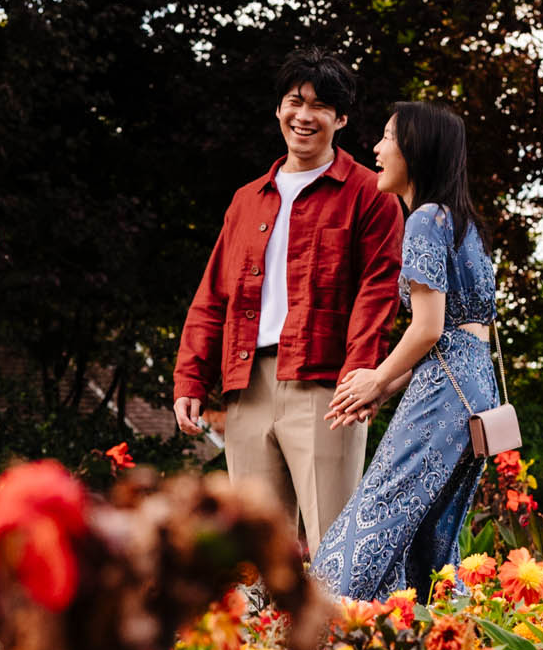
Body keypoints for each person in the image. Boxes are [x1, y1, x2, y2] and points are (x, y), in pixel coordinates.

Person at [173, 52, 406, 549]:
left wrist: (360, 377)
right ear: (279, 108)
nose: (304, 115)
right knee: (257, 551)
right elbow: (213, 294)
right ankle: (263, 632)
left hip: (326, 388)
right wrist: (190, 376)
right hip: (246, 386)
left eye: (320, 106)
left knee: (334, 544)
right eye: (294, 102)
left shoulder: (371, 193)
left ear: (340, 119)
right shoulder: (246, 199)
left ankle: (342, 631)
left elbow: (378, 291)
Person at [311, 102, 501, 599]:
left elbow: (430, 328)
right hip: (476, 388)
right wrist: (387, 387)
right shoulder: (465, 224)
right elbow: (457, 333)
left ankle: (315, 626)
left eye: (388, 137)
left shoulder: (423, 221)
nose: (375, 149)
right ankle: (440, 639)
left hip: (445, 389)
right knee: (432, 534)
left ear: (415, 149)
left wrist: (375, 377)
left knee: (377, 513)